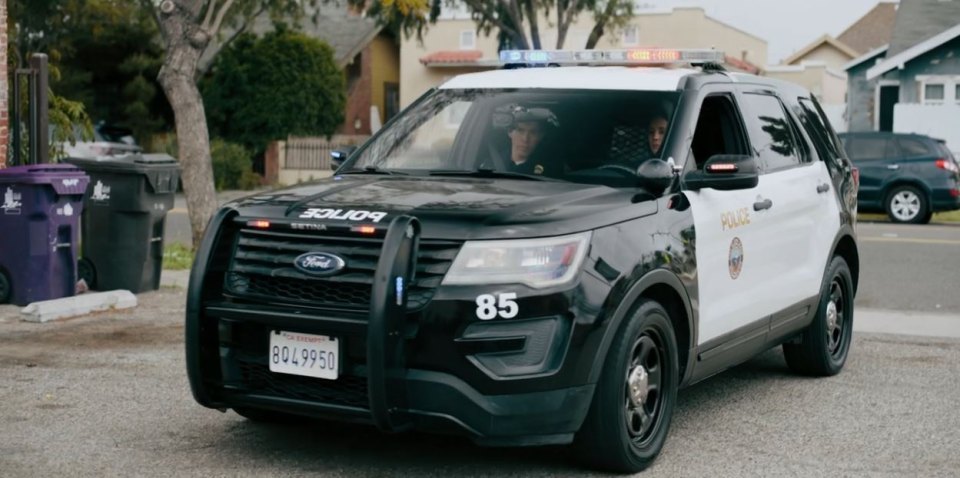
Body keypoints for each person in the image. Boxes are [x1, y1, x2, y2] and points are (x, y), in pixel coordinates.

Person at [497, 105, 560, 176]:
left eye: (533, 132)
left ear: (541, 136)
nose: (525, 139)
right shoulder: (491, 163)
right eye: (520, 130)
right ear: (510, 132)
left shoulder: (548, 170)